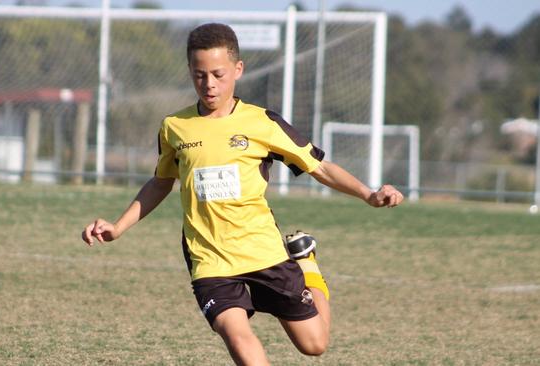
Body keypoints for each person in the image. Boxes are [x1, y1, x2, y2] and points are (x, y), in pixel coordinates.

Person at [81, 23, 404, 365]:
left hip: (262, 249)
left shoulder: (263, 123)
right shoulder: (175, 126)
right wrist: (118, 227)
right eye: (199, 74)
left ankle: (306, 261)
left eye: (218, 74)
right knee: (238, 336)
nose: (209, 84)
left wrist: (369, 194)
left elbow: (320, 167)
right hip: (210, 258)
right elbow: (161, 181)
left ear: (238, 69)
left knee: (314, 345)